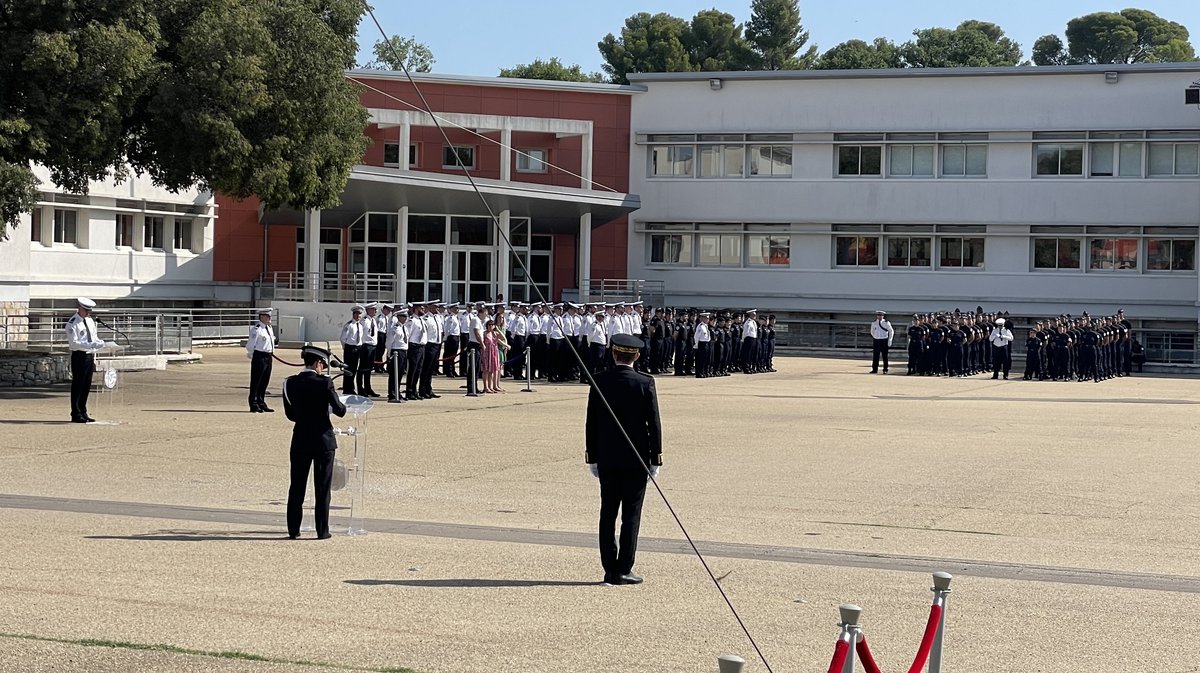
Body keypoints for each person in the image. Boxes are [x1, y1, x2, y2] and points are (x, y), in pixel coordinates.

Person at [585, 333, 663, 586]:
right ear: (637, 356)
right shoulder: (644, 382)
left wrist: (592, 457)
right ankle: (624, 568)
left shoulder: (599, 381)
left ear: (613, 354)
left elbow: (591, 423)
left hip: (607, 458)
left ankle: (609, 569)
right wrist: (655, 458)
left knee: (607, 514)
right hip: (635, 460)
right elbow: (654, 424)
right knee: (631, 515)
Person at [282, 345, 347, 540]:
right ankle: (322, 530)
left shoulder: (289, 382)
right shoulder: (324, 383)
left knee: (297, 487)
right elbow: (340, 410)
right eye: (322, 365)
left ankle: (294, 530)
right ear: (318, 363)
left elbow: (290, 414)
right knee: (322, 487)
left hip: (300, 438)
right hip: (323, 439)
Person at [66, 297, 106, 423]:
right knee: (78, 384)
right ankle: (76, 413)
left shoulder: (89, 321)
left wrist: (100, 343)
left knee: (86, 384)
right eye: (86, 310)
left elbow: (93, 337)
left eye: (89, 311)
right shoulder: (72, 323)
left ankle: (83, 411)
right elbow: (74, 344)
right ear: (80, 309)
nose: (88, 313)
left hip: (89, 355)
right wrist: (91, 345)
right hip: (79, 355)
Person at [246, 308, 277, 412]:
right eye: (268, 316)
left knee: (265, 381)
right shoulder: (257, 329)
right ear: (262, 317)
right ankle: (253, 403)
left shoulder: (269, 328)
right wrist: (252, 355)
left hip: (268, 356)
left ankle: (261, 402)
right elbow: (250, 345)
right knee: (256, 381)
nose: (270, 318)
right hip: (259, 356)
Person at [339, 306, 364, 395]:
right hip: (350, 348)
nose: (358, 316)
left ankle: (351, 387)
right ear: (353, 314)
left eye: (359, 314)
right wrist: (346, 348)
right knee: (348, 369)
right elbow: (343, 339)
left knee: (354, 369)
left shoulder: (360, 326)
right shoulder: (349, 325)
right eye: (356, 314)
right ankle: (347, 388)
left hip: (358, 348)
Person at [482, 319, 503, 393]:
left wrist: (497, 329)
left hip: (494, 352)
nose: (491, 326)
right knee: (486, 370)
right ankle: (486, 387)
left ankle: (490, 386)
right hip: (487, 353)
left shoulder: (495, 333)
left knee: (492, 370)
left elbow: (502, 338)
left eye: (492, 325)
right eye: (489, 325)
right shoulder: (484, 333)